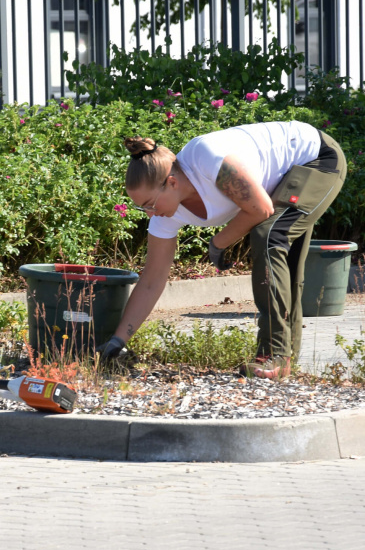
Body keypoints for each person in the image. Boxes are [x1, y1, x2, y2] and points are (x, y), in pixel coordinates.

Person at [98, 121, 347, 379]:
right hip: (285, 178)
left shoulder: (208, 160)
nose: (149, 213)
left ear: (171, 183)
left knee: (269, 234)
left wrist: (218, 242)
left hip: (317, 158)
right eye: (142, 208)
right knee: (282, 249)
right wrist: (117, 341)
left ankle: (275, 353)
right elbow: (151, 280)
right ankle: (284, 359)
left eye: (149, 204)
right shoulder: (164, 215)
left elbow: (261, 209)